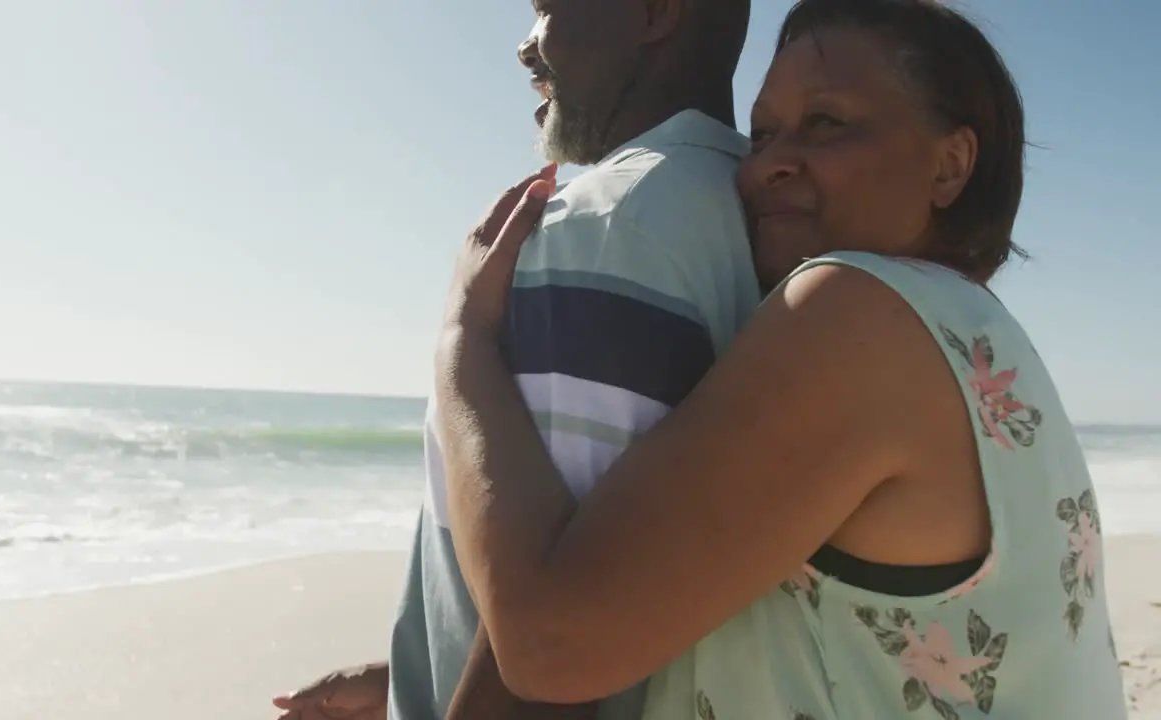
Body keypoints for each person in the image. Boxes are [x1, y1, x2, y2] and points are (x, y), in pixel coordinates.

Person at [432, 0, 1131, 718]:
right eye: (762, 132)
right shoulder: (979, 342)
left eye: (825, 123)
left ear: (949, 165)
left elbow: (552, 645)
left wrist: (463, 342)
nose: (768, 164)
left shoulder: (856, 315)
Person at [273, 0, 757, 718]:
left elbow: (547, 662)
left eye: (547, 7)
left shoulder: (603, 226)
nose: (527, 46)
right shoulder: (765, 215)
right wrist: (412, 681)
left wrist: (458, 337)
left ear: (656, 12)